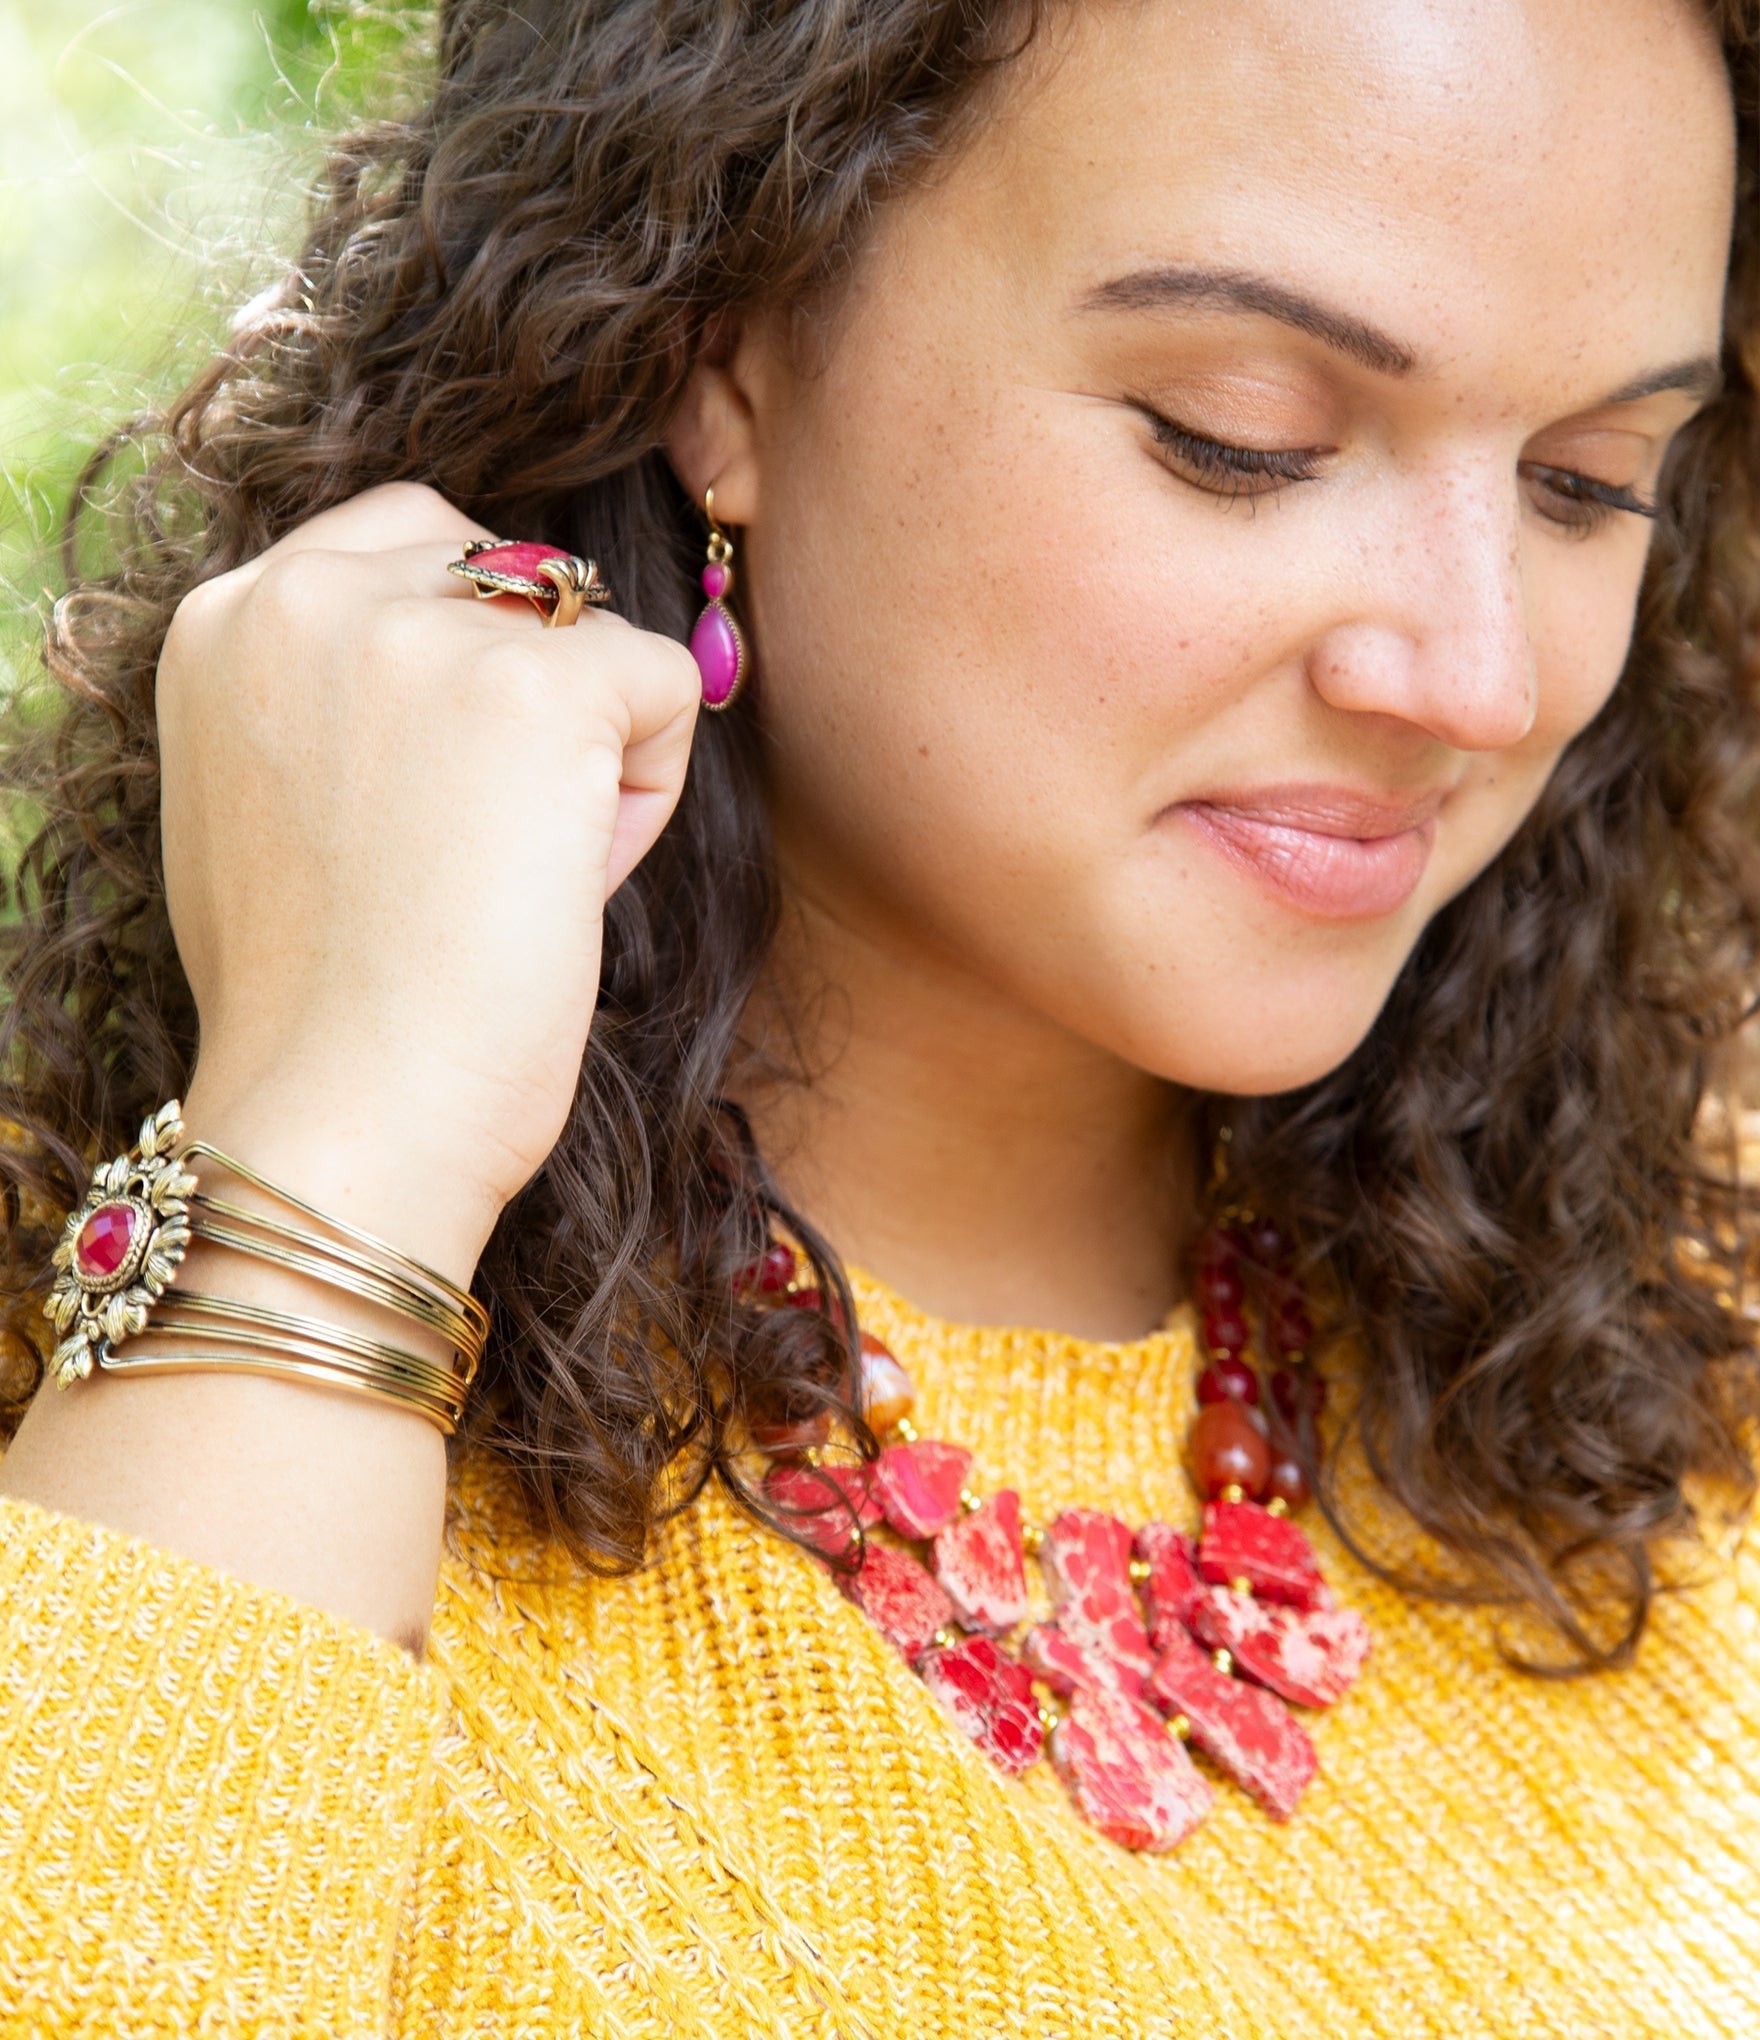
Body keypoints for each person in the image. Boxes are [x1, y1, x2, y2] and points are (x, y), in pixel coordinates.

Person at [0, 0, 1756, 2030]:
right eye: (1239, 438)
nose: (1472, 677)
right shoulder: (122, 1462)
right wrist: (335, 1141)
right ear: (717, 337)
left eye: (1585, 484)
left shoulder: (1689, 1289)